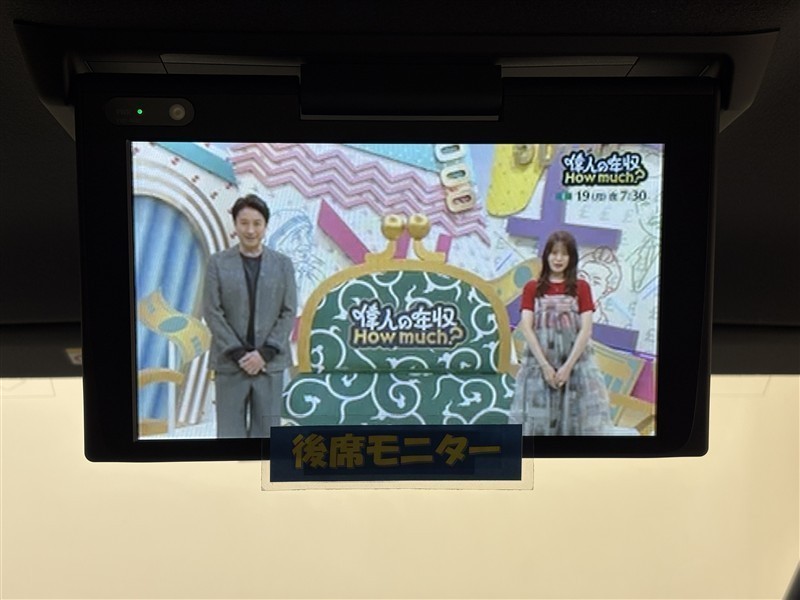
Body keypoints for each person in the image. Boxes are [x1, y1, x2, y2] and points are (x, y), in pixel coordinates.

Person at [203, 194, 297, 438]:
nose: (250, 230)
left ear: (265, 226)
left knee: (267, 438)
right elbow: (212, 311)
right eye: (244, 223)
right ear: (235, 225)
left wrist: (264, 353)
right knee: (229, 437)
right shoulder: (217, 263)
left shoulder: (283, 264)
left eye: (257, 223)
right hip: (230, 363)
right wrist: (238, 353)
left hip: (270, 364)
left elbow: (288, 311)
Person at [511, 230, 618, 435]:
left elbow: (586, 329)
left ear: (571, 258)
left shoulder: (582, 287)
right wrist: (545, 366)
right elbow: (526, 326)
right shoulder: (532, 287)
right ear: (547, 256)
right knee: (537, 425)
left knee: (576, 424)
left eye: (564, 253)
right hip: (538, 366)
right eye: (554, 253)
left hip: (577, 366)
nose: (558, 259)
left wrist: (567, 367)